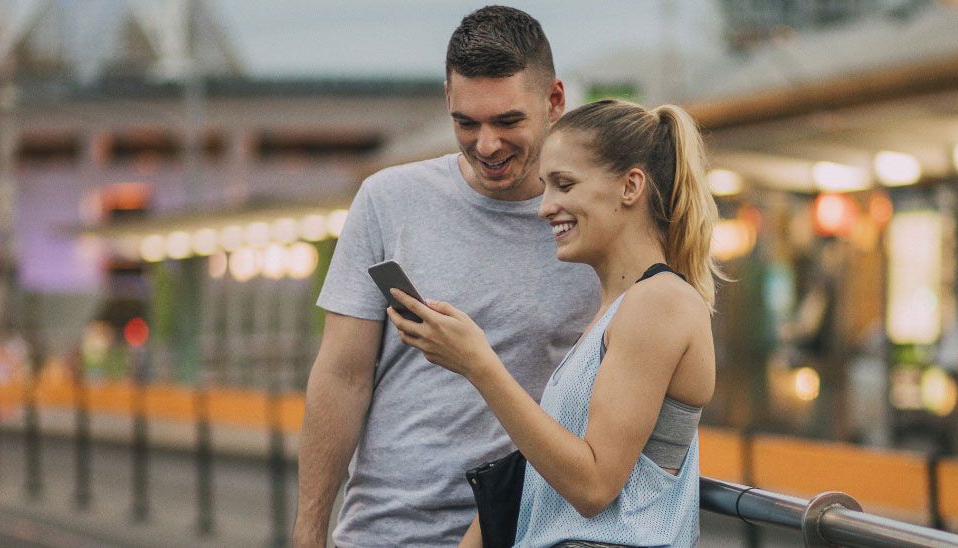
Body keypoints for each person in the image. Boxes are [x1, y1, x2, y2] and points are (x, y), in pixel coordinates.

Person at [292, 6, 599, 547]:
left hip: (526, 532)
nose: (486, 144)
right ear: (447, 101)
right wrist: (309, 530)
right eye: (466, 123)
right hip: (385, 532)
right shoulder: (387, 200)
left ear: (554, 101)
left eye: (507, 121)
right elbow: (342, 377)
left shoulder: (593, 226)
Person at [387, 99, 722, 547]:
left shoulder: (659, 302)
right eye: (546, 188)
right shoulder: (617, 311)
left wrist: (478, 364)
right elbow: (551, 473)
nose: (545, 207)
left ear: (630, 187)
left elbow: (593, 486)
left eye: (564, 185)